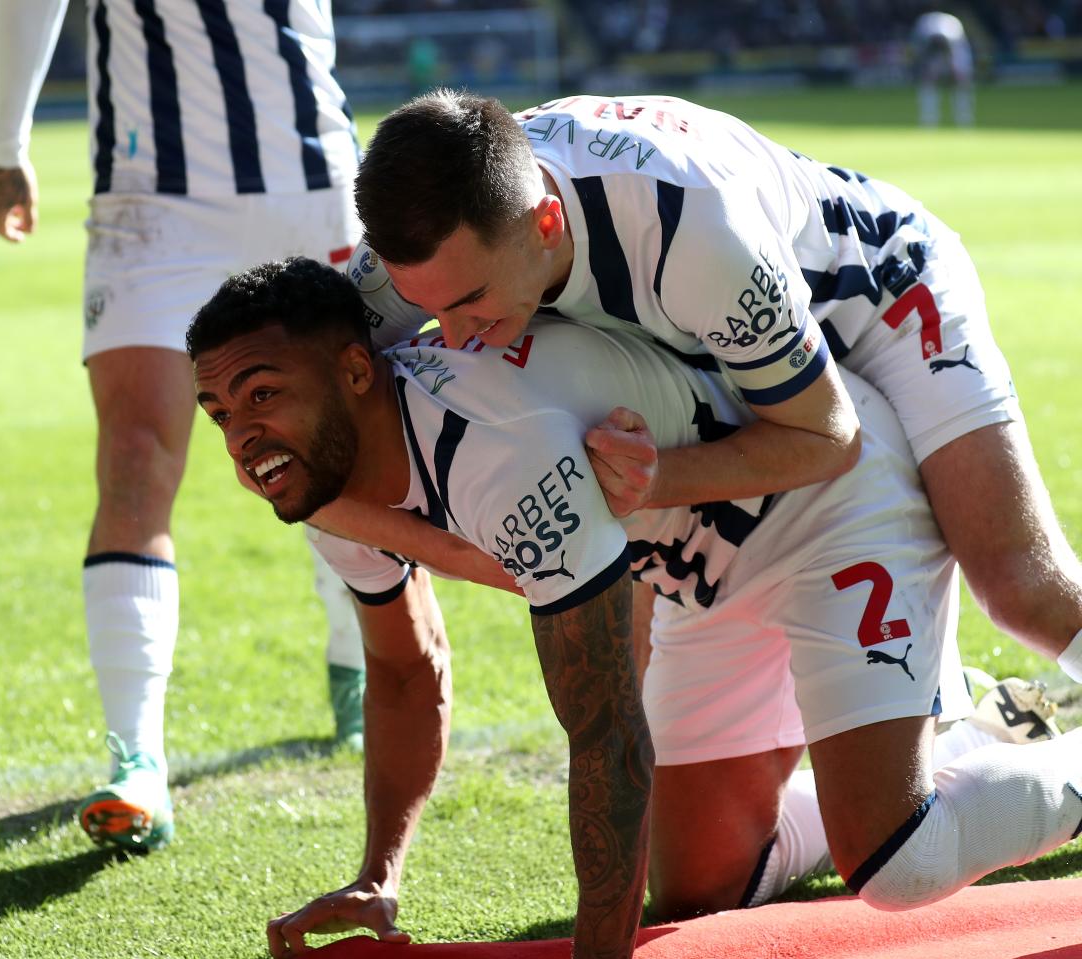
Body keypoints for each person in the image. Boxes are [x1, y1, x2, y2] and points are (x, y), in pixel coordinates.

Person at [186, 258, 1081, 955]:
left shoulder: (499, 449)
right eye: (219, 411)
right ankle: (960, 732)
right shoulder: (324, 483)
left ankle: (1017, 758)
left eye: (263, 394)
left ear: (354, 371)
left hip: (830, 505)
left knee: (898, 861)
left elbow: (607, 737)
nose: (241, 439)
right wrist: (380, 876)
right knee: (698, 891)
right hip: (693, 568)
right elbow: (404, 671)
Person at [346, 90, 1082, 690]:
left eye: (468, 300)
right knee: (693, 867)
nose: (452, 331)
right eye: (427, 306)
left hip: (878, 296)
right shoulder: (437, 239)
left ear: (546, 224)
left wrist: (654, 478)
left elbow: (827, 435)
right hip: (717, 339)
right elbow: (303, 371)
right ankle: (967, 741)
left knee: (1021, 586)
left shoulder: (690, 233)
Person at [0, 0, 369, 852]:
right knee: (132, 456)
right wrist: (9, 142)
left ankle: (357, 662)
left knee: (340, 454)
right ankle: (136, 762)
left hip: (309, 182)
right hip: (152, 199)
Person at [912, 11, 975, 127]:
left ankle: (963, 118)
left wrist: (955, 68)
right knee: (928, 82)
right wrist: (928, 68)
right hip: (932, 54)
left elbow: (957, 54)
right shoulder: (925, 27)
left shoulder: (953, 30)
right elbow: (920, 50)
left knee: (960, 83)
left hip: (955, 52)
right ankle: (929, 120)